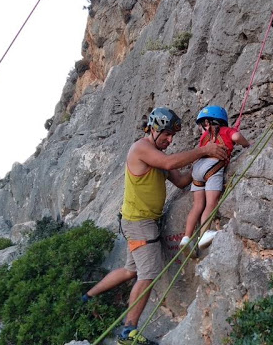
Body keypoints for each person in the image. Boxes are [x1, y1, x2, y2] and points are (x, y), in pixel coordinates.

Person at [81, 107, 228, 345]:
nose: (170, 140)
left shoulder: (156, 156)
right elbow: (170, 162)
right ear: (154, 129)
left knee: (131, 270)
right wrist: (204, 149)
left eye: (172, 136)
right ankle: (128, 332)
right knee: (148, 274)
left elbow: (181, 181)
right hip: (141, 224)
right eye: (167, 135)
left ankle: (87, 296)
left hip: (136, 221)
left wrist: (204, 166)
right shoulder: (141, 148)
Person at [180, 105, 249, 254]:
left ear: (207, 123)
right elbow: (236, 137)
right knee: (211, 202)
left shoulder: (204, 138)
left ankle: (186, 237)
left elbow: (199, 152)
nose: (201, 129)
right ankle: (204, 233)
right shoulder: (226, 131)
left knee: (197, 205)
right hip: (213, 167)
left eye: (201, 125)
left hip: (197, 169)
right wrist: (247, 145)